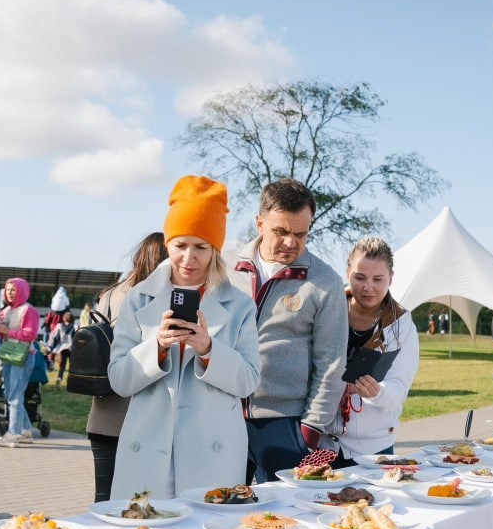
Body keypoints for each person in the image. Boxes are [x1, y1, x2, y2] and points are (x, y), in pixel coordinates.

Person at [109, 175, 259, 498]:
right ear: (167, 243)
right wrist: (157, 348)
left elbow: (249, 381)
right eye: (180, 245)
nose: (188, 258)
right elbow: (119, 379)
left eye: (201, 247)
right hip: (148, 452)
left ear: (215, 250)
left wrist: (208, 349)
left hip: (212, 455)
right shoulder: (138, 299)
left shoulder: (240, 305)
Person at [226, 178, 347, 482]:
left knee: (286, 521)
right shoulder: (223, 268)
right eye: (280, 231)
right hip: (222, 416)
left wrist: (310, 431)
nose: (291, 242)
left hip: (286, 425)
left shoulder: (325, 281)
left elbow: (331, 363)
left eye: (301, 233)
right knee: (218, 513)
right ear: (259, 223)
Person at [86, 232, 168, 503]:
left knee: (103, 498)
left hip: (102, 411)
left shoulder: (110, 295)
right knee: (137, 502)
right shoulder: (153, 298)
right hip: (135, 415)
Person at [324, 236, 419, 461]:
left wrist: (376, 393)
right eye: (359, 277)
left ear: (391, 278)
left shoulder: (401, 324)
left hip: (374, 450)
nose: (368, 287)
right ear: (347, 272)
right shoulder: (327, 310)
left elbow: (398, 389)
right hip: (321, 444)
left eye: (378, 279)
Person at [0, 277, 39, 448]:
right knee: (11, 394)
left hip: (24, 355)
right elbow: (2, 336)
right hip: (8, 355)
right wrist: (0, 329)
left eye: (13, 289)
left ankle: (13, 434)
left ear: (22, 290)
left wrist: (8, 331)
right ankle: (25, 430)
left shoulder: (29, 310)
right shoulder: (4, 311)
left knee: (15, 395)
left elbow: (31, 334)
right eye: (7, 289)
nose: (9, 293)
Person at [47, 309, 76, 383]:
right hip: (72, 348)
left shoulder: (59, 326)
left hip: (62, 348)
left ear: (64, 318)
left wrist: (50, 347)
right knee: (72, 365)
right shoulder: (75, 326)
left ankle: (59, 378)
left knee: (62, 365)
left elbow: (55, 338)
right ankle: (72, 379)